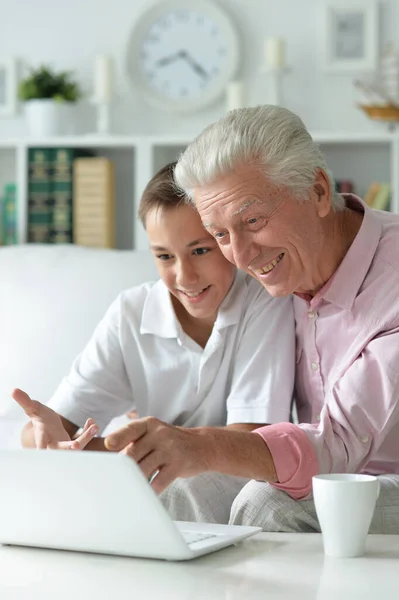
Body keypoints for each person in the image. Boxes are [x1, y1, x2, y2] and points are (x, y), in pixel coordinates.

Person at [159, 104, 399, 533]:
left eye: (253, 220)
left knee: (268, 504)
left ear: (319, 192)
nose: (242, 255)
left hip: (383, 475)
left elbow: (337, 444)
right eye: (219, 234)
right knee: (179, 489)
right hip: (325, 468)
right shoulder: (280, 271)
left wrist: (201, 444)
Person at [14, 160, 295, 521]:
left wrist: (98, 451)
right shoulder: (131, 312)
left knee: (181, 489)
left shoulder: (263, 298)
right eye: (164, 256)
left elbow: (250, 438)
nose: (185, 277)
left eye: (200, 250)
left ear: (226, 239)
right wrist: (50, 437)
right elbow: (53, 429)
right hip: (151, 482)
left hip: (233, 477)